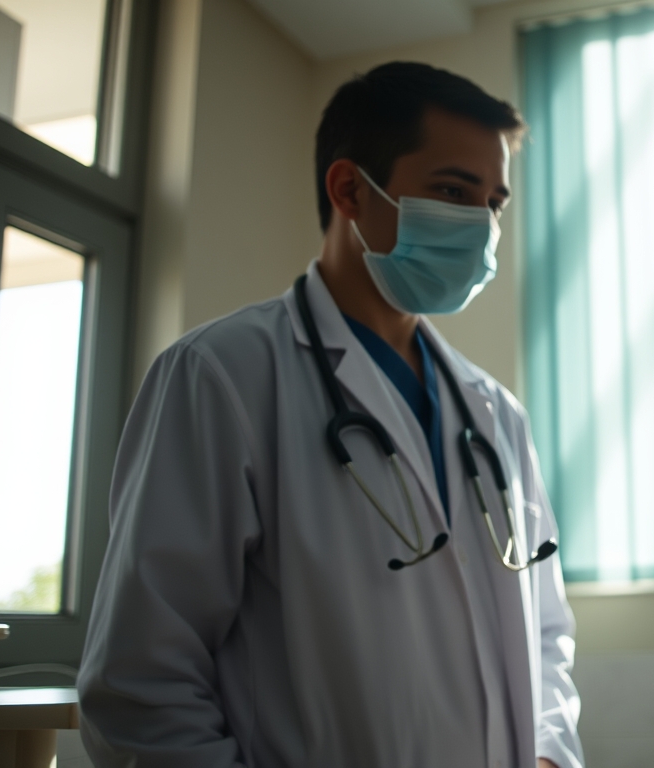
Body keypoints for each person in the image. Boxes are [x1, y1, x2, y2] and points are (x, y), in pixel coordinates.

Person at [78, 62, 583, 768]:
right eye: (452, 191)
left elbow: (547, 633)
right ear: (350, 189)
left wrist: (552, 752)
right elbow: (142, 684)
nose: (482, 225)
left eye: (493, 202)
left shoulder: (495, 413)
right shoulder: (222, 377)